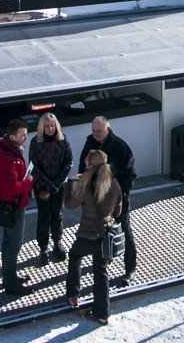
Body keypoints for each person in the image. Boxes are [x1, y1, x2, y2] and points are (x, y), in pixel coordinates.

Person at [63, 149, 122, 326]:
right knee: (101, 272)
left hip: (87, 236)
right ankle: (102, 313)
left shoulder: (86, 185)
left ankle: (73, 295)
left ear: (90, 165)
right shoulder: (115, 183)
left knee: (74, 256)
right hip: (104, 236)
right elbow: (118, 211)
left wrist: (69, 184)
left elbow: (69, 205)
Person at [78, 116, 137, 286]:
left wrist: (119, 194)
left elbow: (130, 174)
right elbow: (83, 169)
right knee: (99, 233)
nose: (96, 134)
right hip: (96, 201)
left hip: (117, 200)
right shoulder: (90, 144)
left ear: (108, 129)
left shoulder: (120, 146)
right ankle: (104, 260)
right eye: (93, 131)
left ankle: (130, 268)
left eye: (99, 131)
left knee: (125, 230)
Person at [0, 119, 35, 295]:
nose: (25, 139)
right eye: (22, 136)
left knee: (10, 243)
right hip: (14, 205)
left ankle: (10, 276)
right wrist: (28, 182)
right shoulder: (8, 156)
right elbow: (12, 187)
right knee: (13, 244)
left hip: (13, 203)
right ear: (12, 136)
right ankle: (10, 283)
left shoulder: (9, 150)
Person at [30, 112, 73, 266]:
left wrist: (57, 183)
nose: (49, 129)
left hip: (58, 186)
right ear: (42, 127)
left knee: (57, 215)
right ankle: (43, 248)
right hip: (43, 187)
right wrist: (50, 184)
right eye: (47, 126)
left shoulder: (62, 140)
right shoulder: (36, 142)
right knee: (43, 217)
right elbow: (33, 166)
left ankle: (57, 242)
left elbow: (68, 162)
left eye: (52, 126)